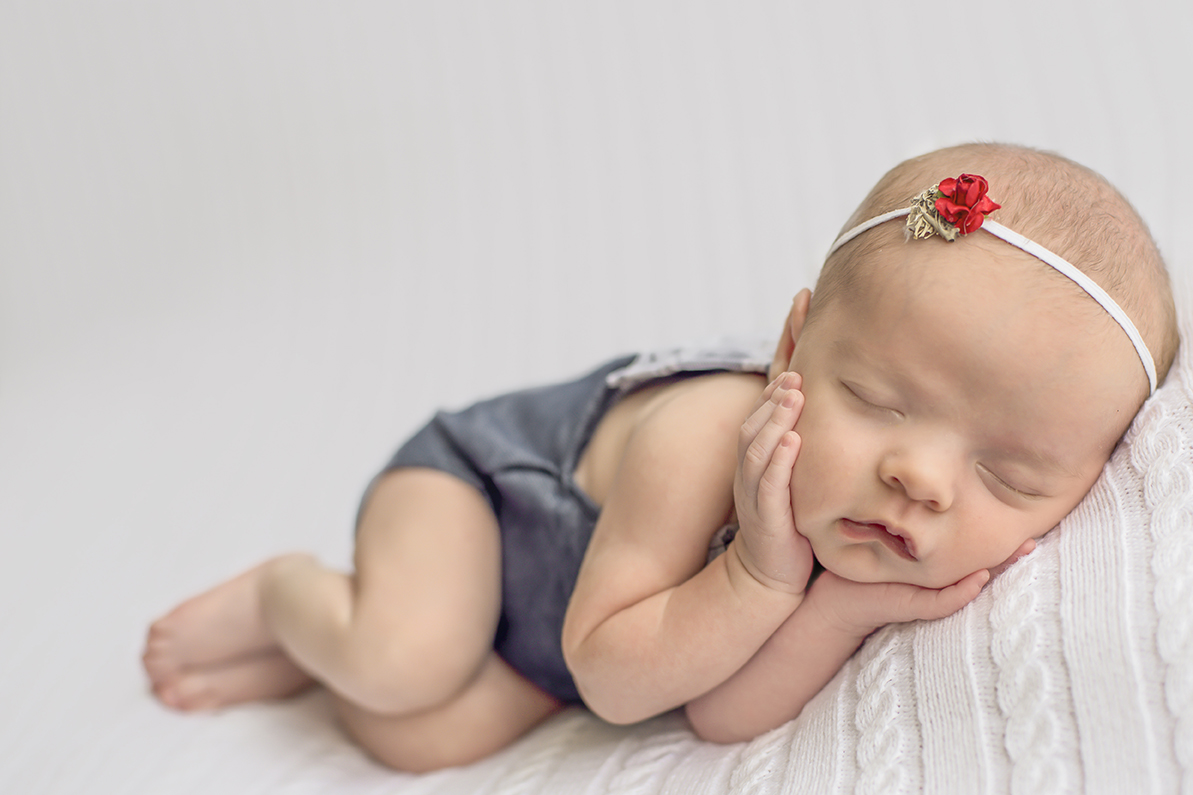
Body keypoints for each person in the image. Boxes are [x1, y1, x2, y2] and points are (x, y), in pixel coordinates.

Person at [142, 142, 1180, 773]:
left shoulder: (874, 534)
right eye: (874, 399)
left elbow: (719, 711)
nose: (920, 476)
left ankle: (323, 647)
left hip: (587, 627)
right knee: (404, 659)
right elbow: (612, 678)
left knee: (420, 740)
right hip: (483, 496)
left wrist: (836, 608)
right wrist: (756, 572)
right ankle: (288, 594)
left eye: (1007, 476)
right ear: (790, 349)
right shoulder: (702, 437)